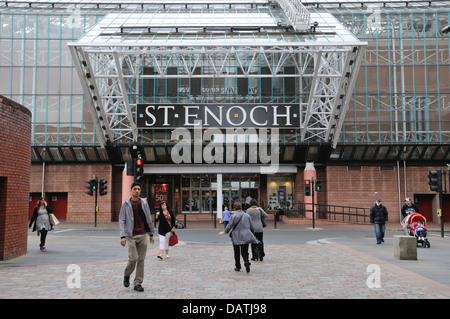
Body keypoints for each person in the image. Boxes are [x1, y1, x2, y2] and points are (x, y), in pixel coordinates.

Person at [119, 182, 155, 292]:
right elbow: (122, 220)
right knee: (133, 258)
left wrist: (151, 234)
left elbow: (148, 218)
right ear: (131, 190)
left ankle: (138, 283)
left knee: (141, 260)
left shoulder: (143, 202)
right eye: (135, 189)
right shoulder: (126, 204)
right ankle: (127, 274)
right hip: (130, 236)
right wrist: (123, 236)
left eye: (139, 189)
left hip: (142, 234)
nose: (137, 191)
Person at [219, 202, 259, 273]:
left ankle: (238, 266)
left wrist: (224, 232)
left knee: (236, 251)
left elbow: (229, 225)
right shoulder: (247, 215)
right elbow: (252, 226)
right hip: (246, 234)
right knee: (245, 251)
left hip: (236, 235)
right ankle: (246, 261)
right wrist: (252, 233)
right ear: (241, 207)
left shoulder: (233, 216)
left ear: (234, 208)